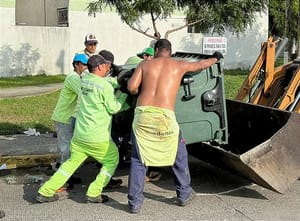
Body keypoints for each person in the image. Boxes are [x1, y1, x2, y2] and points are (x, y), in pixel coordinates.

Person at [127, 39, 223, 213]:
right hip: (165, 117)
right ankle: (184, 193)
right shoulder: (178, 65)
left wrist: (138, 91)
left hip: (143, 116)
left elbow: (132, 87)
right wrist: (215, 58)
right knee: (178, 153)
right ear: (169, 51)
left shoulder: (144, 64)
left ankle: (134, 203)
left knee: (138, 159)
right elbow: (201, 65)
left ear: (156, 50)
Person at [36, 55, 129, 203]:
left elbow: (102, 82)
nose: (108, 68)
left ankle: (45, 191)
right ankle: (94, 192)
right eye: (106, 66)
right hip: (98, 137)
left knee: (70, 164)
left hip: (80, 136)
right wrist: (124, 94)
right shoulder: (103, 86)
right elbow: (113, 108)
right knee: (112, 159)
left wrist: (116, 81)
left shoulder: (85, 80)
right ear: (99, 67)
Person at [51, 53, 88, 186]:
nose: (85, 67)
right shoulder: (73, 78)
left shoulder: (78, 77)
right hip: (63, 117)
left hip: (68, 116)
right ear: (76, 64)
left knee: (69, 147)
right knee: (66, 148)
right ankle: (63, 176)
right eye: (83, 64)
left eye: (86, 64)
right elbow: (84, 92)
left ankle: (66, 172)